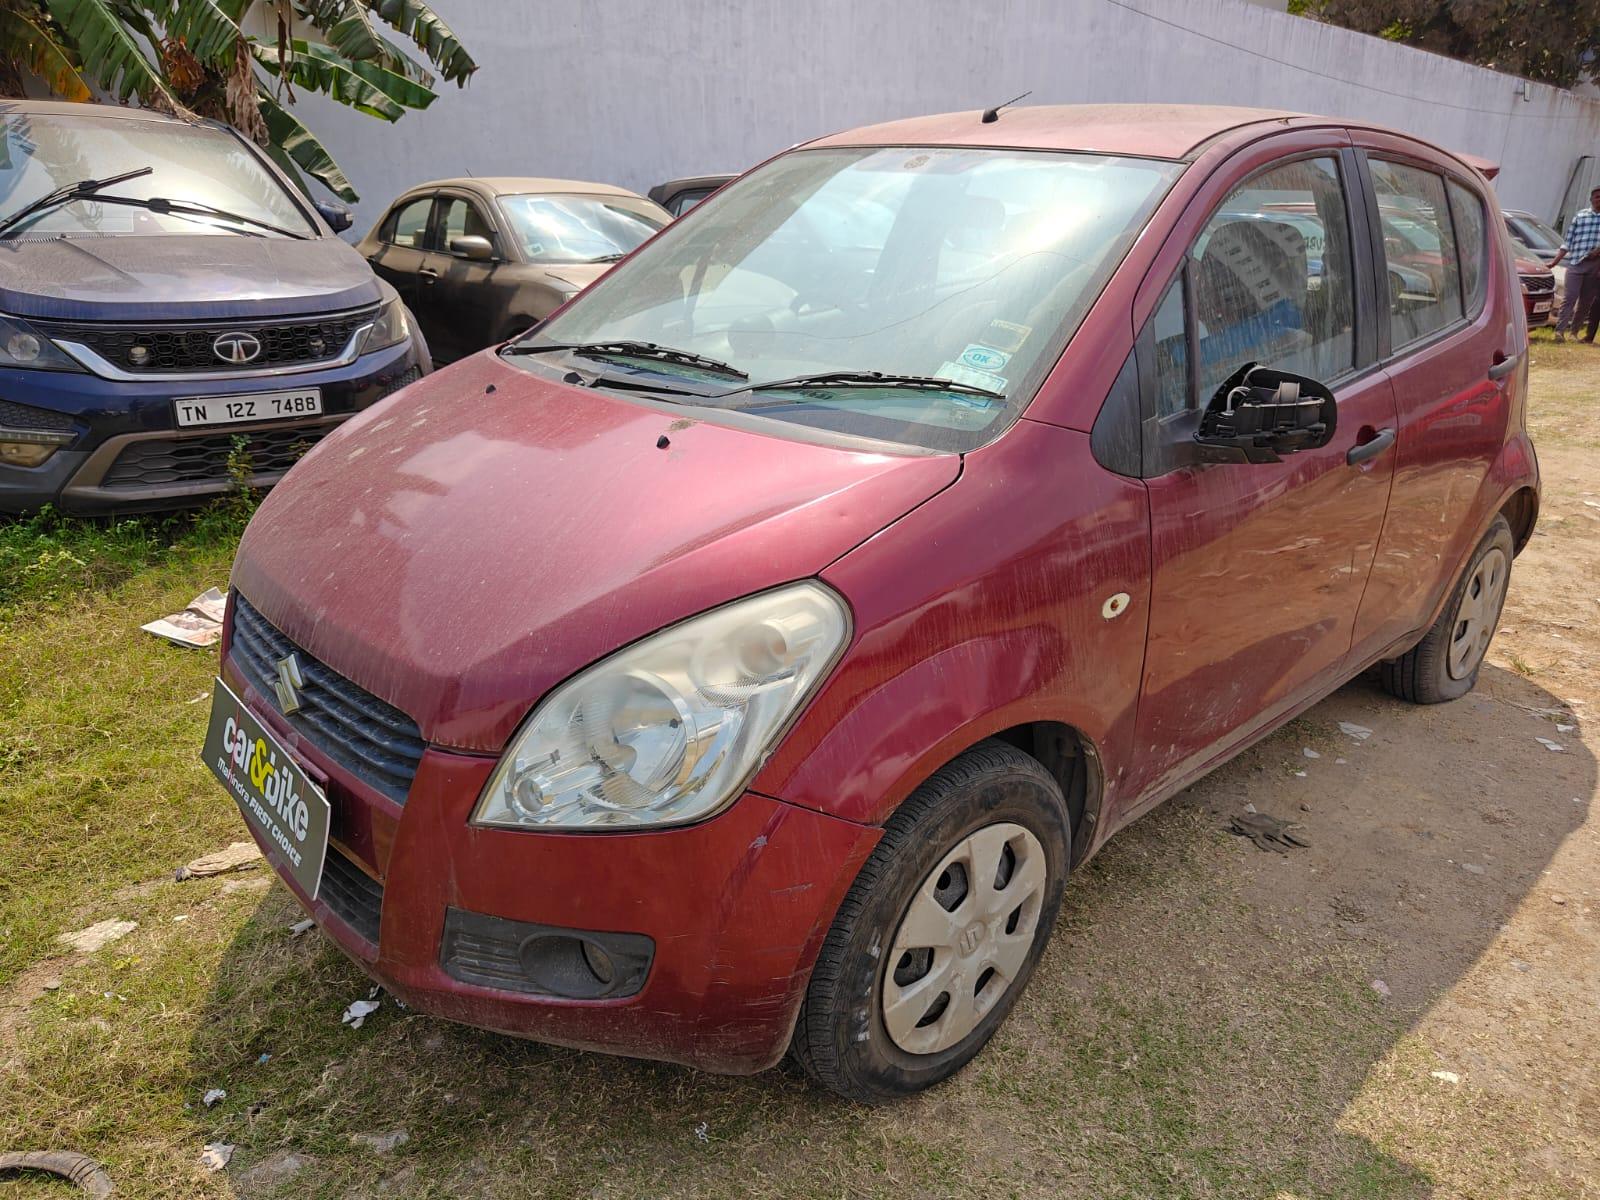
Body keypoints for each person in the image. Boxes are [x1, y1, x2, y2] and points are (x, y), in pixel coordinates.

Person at [1551, 186, 1600, 343]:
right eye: (1597, 197)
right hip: (1576, 263)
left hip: (1595, 266)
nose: (1599, 200)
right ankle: (1559, 332)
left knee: (1586, 301)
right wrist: (1554, 262)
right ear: (1591, 199)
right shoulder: (1580, 216)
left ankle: (1574, 333)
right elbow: (1567, 242)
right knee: (1569, 298)